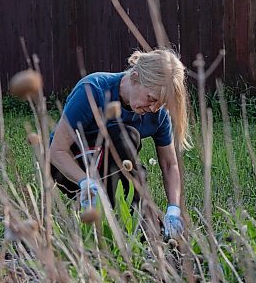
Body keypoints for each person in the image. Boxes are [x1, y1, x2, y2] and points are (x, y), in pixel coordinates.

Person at [49, 48, 191, 239]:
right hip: (70, 170)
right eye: (151, 99)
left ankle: (134, 230)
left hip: (112, 171)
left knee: (129, 158)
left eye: (161, 104)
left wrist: (174, 209)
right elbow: (56, 151)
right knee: (126, 136)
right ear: (134, 77)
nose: (153, 108)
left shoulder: (157, 114)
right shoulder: (93, 90)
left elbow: (169, 164)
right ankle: (140, 227)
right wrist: (87, 183)